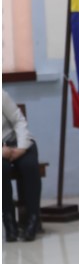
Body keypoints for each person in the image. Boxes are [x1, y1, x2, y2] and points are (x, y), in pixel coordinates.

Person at [2, 90, 42, 242]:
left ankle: (32, 219)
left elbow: (18, 120)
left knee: (29, 166)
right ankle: (9, 222)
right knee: (2, 170)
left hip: (17, 142)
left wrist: (21, 147)